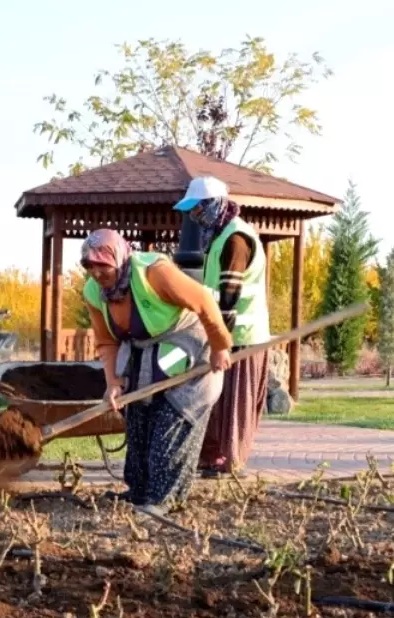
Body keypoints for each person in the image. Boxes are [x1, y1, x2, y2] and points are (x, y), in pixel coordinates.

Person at [80, 228, 232, 517]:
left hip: (188, 346)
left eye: (103, 265)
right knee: (139, 419)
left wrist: (219, 345)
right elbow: (106, 341)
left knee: (171, 420)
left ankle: (163, 498)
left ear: (119, 258)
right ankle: (139, 491)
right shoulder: (93, 292)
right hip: (144, 352)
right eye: (90, 266)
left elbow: (203, 301)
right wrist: (112, 382)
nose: (97, 273)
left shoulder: (154, 272)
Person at [174, 176, 273, 477]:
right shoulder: (218, 236)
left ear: (215, 205)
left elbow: (230, 294)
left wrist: (221, 342)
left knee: (235, 403)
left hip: (242, 336)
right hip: (226, 334)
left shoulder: (235, 239)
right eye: (192, 210)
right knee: (215, 397)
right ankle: (211, 456)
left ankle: (230, 461)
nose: (195, 216)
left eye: (199, 208)